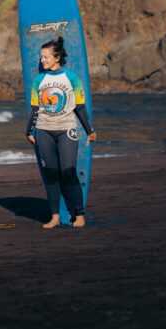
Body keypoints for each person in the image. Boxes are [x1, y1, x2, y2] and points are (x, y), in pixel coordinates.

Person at [25, 37, 97, 229]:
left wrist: (90, 131)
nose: (42, 60)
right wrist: (28, 131)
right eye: (41, 57)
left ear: (57, 57)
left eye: (46, 57)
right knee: (50, 174)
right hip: (43, 131)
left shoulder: (72, 78)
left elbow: (80, 107)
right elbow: (34, 108)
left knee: (68, 171)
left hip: (67, 130)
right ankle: (55, 216)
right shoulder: (39, 80)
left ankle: (79, 214)